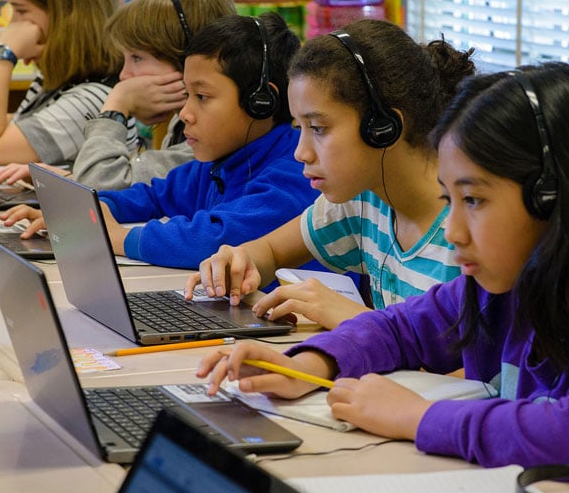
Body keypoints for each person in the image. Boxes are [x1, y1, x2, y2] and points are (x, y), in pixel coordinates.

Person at [196, 62, 569, 493]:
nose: (452, 232)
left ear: (552, 196)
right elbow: (403, 328)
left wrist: (422, 418)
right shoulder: (516, 279)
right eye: (449, 200)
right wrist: (309, 365)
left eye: (473, 200)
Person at [184, 19, 476, 329]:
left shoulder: (467, 233)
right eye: (300, 128)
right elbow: (268, 250)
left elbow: (482, 375)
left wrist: (359, 320)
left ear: (383, 128)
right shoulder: (366, 202)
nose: (301, 153)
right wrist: (239, 261)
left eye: (318, 129)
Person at [1, 12, 319, 271]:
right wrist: (83, 213)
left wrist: (119, 238)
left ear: (259, 102)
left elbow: (218, 236)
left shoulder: (298, 172)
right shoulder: (217, 165)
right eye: (187, 95)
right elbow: (152, 197)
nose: (185, 113)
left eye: (202, 97)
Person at [0, 0, 237, 190]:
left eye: (137, 58)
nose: (123, 76)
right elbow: (144, 191)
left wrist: (115, 107)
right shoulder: (181, 124)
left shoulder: (210, 141)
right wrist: (69, 182)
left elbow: (103, 186)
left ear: (187, 61)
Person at [0, 0, 137, 167]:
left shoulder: (94, 100)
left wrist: (2, 55)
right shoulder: (68, 76)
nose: (12, 26)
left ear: (66, 13)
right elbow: (21, 124)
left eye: (21, 11)